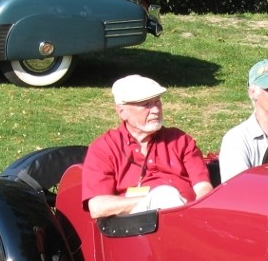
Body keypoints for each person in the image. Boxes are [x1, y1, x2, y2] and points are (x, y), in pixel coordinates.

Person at [82, 74, 213, 219]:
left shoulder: (180, 140)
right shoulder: (104, 148)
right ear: (122, 112)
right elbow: (98, 206)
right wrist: (153, 201)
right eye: (146, 105)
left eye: (157, 102)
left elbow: (203, 188)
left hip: (187, 223)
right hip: (135, 232)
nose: (156, 110)